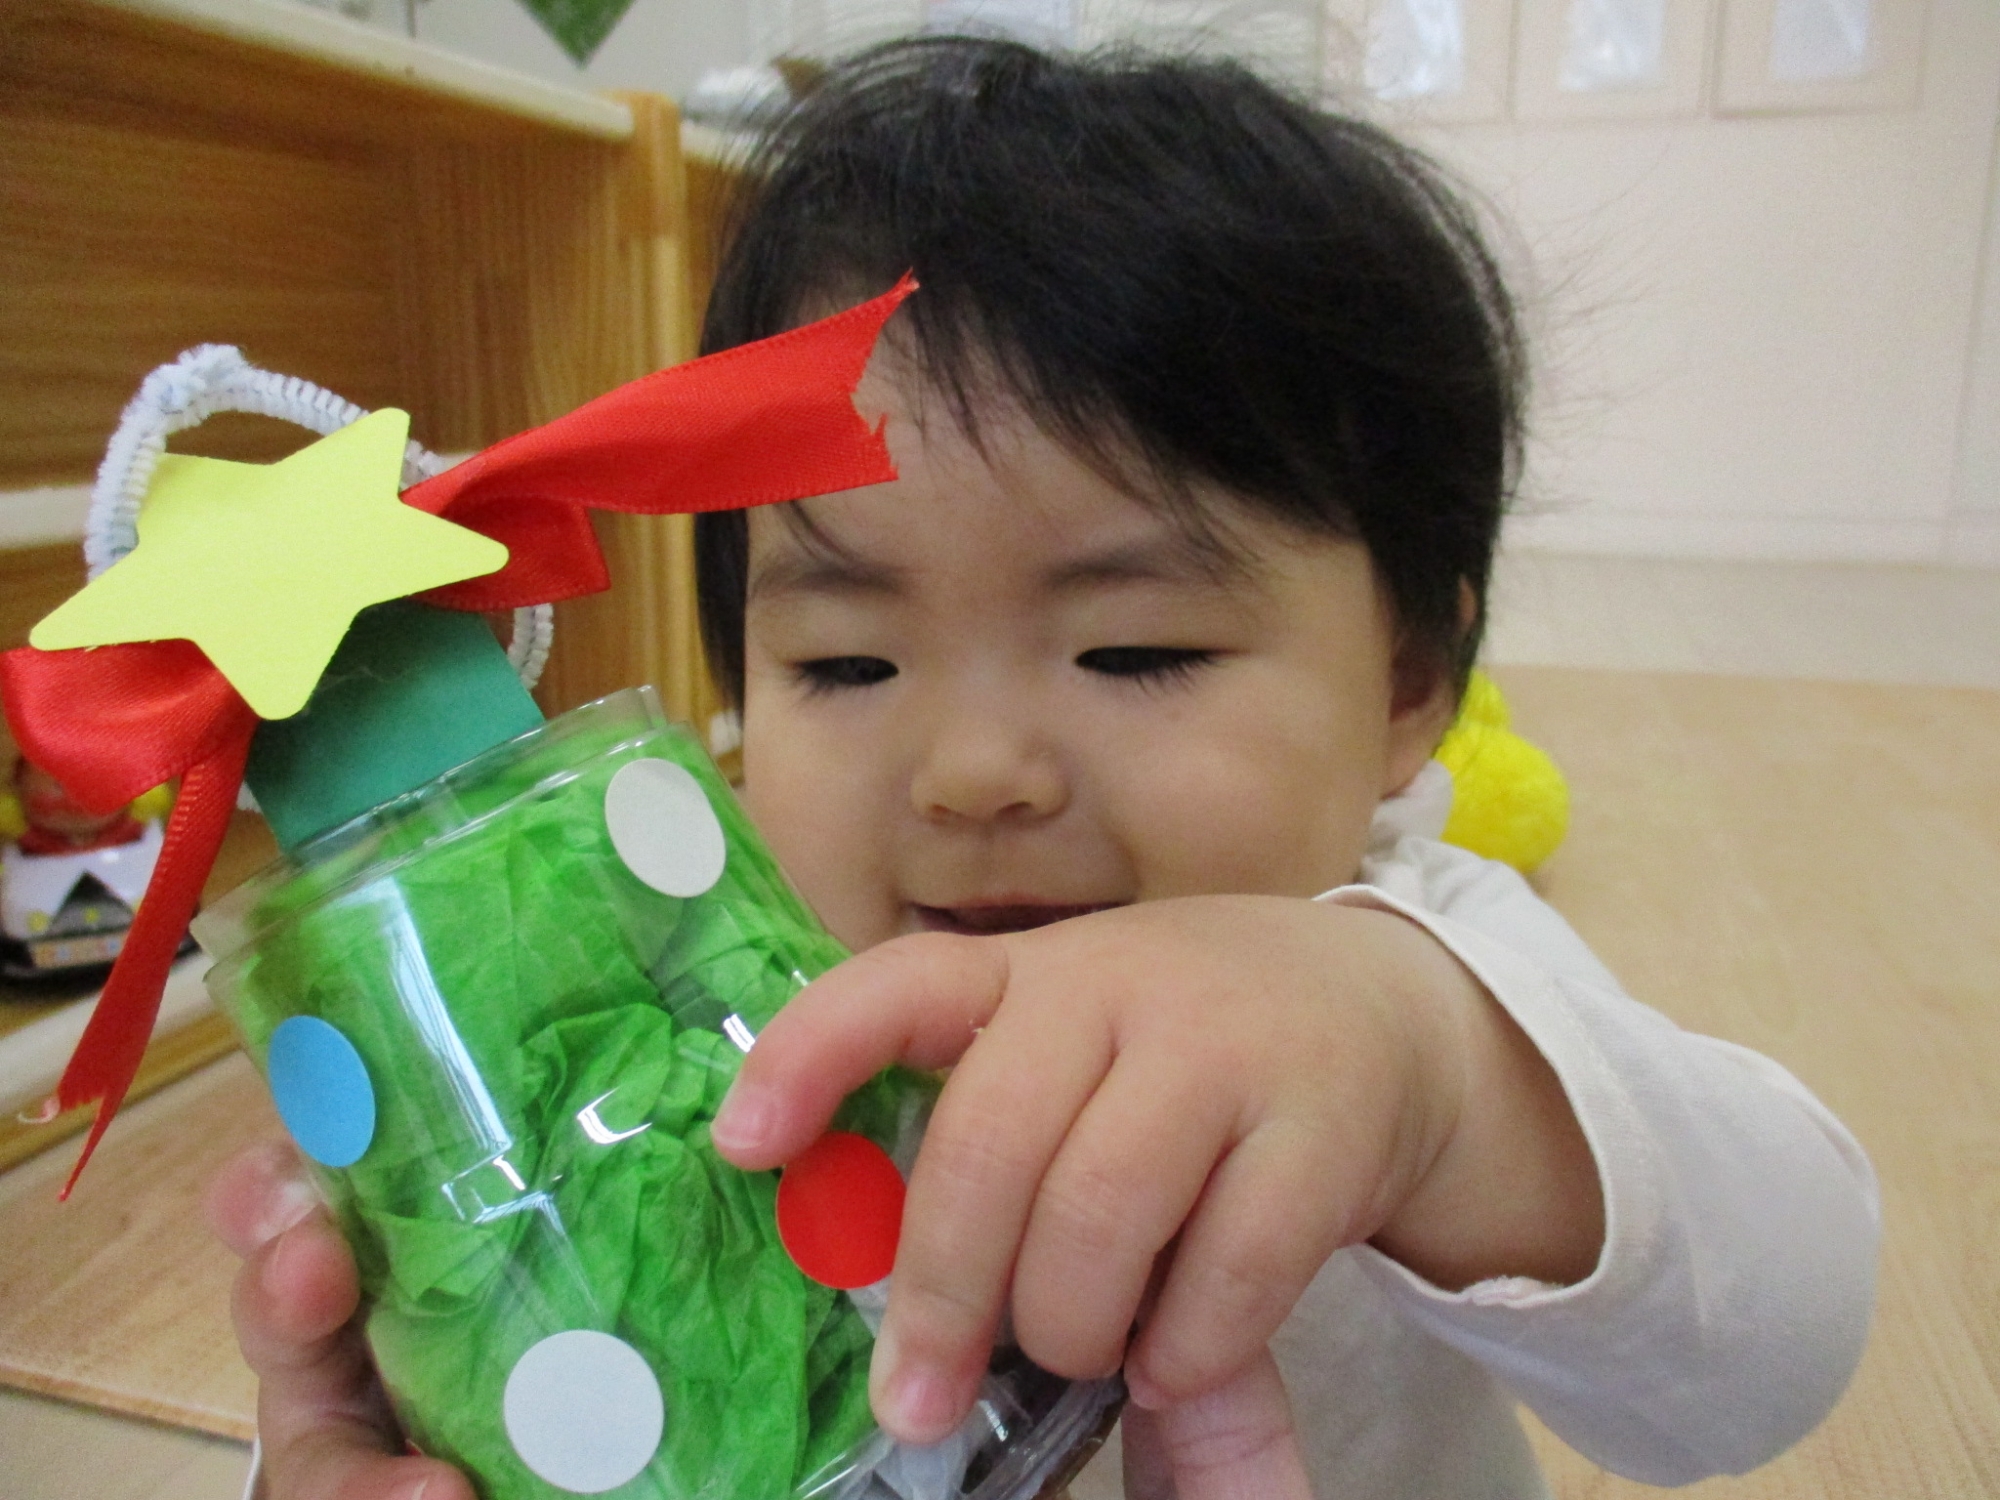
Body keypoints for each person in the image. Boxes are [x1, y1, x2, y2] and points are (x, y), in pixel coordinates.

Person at [205, 36, 1879, 1500]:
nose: (976, 772)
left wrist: (1436, 1082)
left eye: (1137, 651)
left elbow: (1779, 1333)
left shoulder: (1426, 957)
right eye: (846, 665)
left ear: (1406, 685)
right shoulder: (712, 1054)